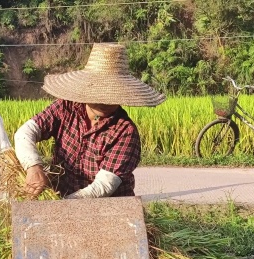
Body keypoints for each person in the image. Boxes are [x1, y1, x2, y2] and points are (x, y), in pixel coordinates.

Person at [14, 43, 166, 199]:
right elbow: (25, 133)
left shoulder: (125, 132)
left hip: (108, 205)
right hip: (61, 193)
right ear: (87, 88)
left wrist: (61, 205)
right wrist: (33, 167)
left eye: (111, 95)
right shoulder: (66, 107)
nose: (105, 101)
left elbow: (102, 187)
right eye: (99, 93)